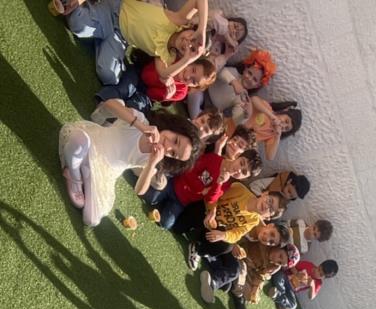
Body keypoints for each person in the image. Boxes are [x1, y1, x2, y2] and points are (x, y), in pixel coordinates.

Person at [59, 103, 201, 226]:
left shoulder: (154, 158)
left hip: (105, 172)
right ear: (174, 128)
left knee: (92, 219)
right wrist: (141, 126)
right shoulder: (141, 120)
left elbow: (139, 190)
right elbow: (110, 104)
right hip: (92, 143)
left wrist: (151, 163)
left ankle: (80, 169)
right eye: (175, 140)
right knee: (79, 140)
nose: (168, 147)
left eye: (173, 153)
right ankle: (75, 176)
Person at [67, 0, 209, 85]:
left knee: (109, 76)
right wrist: (202, 29)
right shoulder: (178, 20)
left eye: (190, 49)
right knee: (77, 24)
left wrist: (188, 59)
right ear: (190, 29)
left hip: (119, 38)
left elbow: (163, 74)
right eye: (193, 37)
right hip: (116, 9)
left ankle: (98, 32)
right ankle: (94, 19)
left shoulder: (167, 55)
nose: (187, 43)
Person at [186, 184, 285, 301]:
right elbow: (231, 230)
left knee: (234, 270)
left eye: (271, 242)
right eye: (271, 234)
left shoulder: (260, 244)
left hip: (225, 243)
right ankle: (207, 258)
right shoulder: (254, 218)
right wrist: (233, 244)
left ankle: (212, 283)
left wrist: (258, 284)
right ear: (269, 224)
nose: (267, 239)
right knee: (229, 255)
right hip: (220, 232)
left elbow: (249, 260)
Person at [143, 147, 262, 230]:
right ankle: (160, 197)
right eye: (241, 163)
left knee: (165, 223)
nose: (239, 170)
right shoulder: (214, 159)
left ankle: (163, 203)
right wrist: (201, 189)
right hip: (174, 184)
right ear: (238, 156)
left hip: (181, 201)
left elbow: (210, 199)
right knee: (149, 197)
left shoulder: (227, 184)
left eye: (244, 172)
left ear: (244, 178)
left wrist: (219, 183)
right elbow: (189, 172)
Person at [269, 220, 334, 309]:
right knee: (278, 276)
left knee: (293, 306)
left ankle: (279, 296)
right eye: (319, 269)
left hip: (291, 289)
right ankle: (280, 298)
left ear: (324, 278)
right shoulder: (309, 265)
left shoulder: (318, 283)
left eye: (320, 274)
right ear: (319, 265)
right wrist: (297, 273)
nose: (317, 272)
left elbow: (311, 297)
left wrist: (312, 286)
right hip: (285, 277)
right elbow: (292, 265)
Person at [230, 242, 300, 309]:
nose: (276, 260)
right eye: (280, 256)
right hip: (239, 259)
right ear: (280, 247)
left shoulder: (275, 266)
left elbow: (261, 275)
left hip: (249, 272)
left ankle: (236, 287)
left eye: (279, 262)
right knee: (242, 269)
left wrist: (255, 288)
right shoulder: (265, 243)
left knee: (250, 295)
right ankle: (238, 295)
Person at [205, 49, 276, 120]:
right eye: (249, 73)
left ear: (257, 85)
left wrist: (245, 115)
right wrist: (233, 81)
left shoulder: (244, 97)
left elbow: (236, 120)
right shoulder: (234, 73)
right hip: (205, 91)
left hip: (212, 110)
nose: (249, 79)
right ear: (245, 69)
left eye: (255, 80)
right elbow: (220, 71)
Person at [226, 99, 303, 161]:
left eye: (286, 128)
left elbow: (270, 157)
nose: (283, 125)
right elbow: (254, 100)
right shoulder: (267, 109)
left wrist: (277, 137)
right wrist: (272, 116)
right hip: (228, 128)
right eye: (286, 121)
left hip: (234, 148)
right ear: (285, 111)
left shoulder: (272, 135)